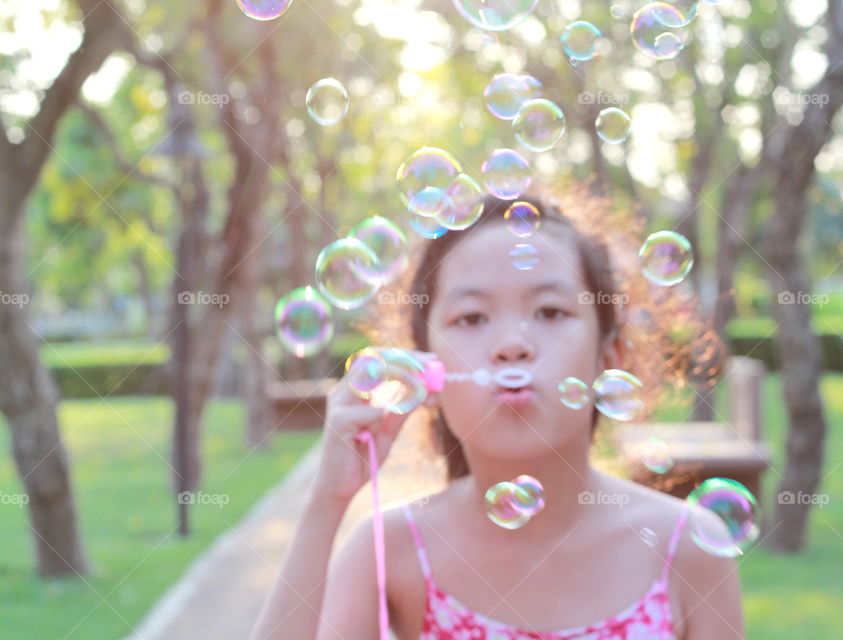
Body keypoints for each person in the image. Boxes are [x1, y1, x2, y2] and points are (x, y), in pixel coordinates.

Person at [252, 191, 744, 640]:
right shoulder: (390, 551)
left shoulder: (687, 549)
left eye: (550, 312)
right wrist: (327, 503)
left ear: (608, 358)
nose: (511, 345)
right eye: (471, 318)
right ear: (426, 371)